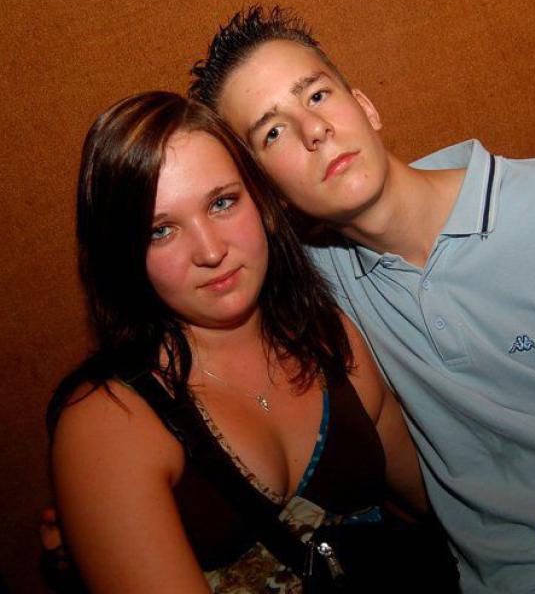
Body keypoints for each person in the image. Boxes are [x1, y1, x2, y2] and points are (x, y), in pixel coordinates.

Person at [187, 6, 535, 593]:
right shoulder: (319, 288)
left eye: (317, 96)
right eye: (273, 132)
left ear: (366, 107)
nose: (313, 130)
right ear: (267, 193)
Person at [46, 91, 458, 593]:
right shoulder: (109, 422)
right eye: (161, 231)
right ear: (123, 253)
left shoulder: (329, 337)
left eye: (222, 202)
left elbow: (442, 499)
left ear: (261, 202)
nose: (210, 250)